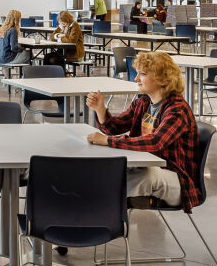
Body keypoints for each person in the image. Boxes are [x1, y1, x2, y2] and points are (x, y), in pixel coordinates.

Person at [84, 51, 202, 209]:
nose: (136, 78)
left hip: (177, 181)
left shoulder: (177, 109)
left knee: (147, 175)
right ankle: (106, 203)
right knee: (111, 170)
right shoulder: (142, 103)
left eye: (143, 74)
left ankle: (91, 201)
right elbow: (115, 127)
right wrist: (100, 110)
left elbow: (156, 142)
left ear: (162, 78)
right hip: (145, 167)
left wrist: (107, 141)